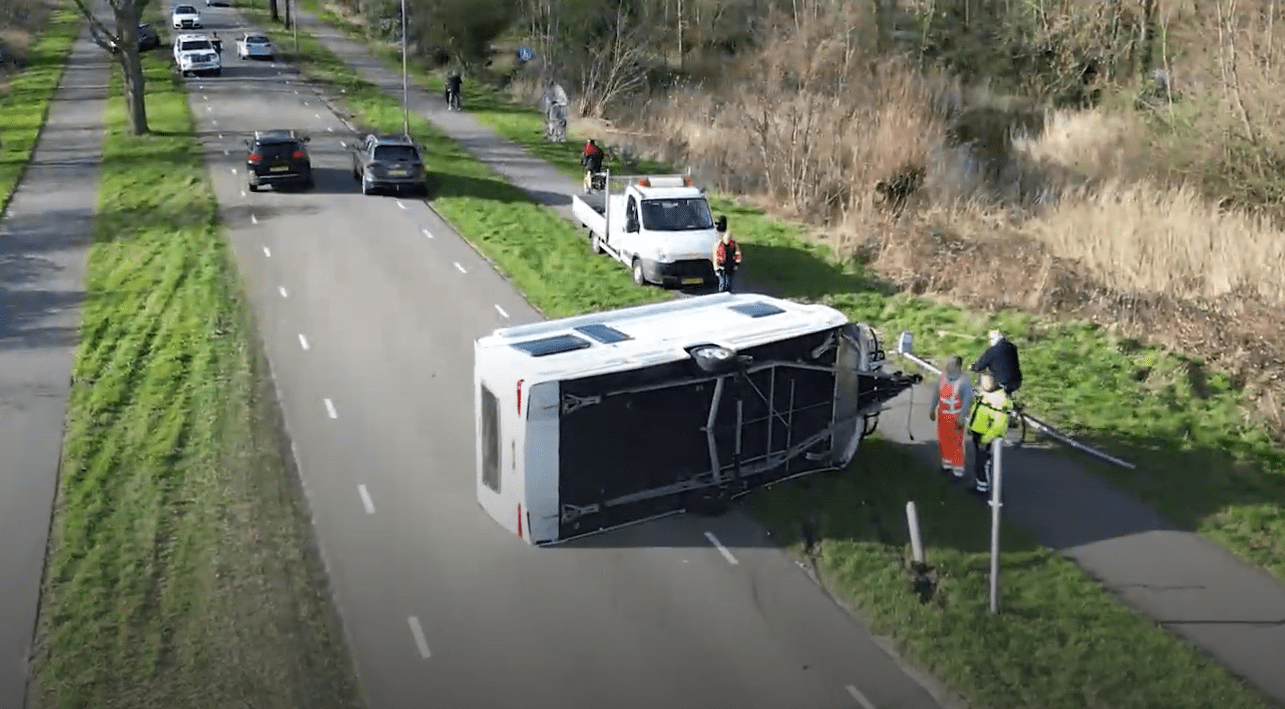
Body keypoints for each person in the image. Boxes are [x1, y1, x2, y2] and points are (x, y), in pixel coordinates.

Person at [966, 373, 1011, 496]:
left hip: (987, 437)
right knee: (979, 462)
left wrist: (985, 440)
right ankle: (980, 484)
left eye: (986, 382)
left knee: (984, 463)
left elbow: (998, 425)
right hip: (979, 433)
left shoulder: (999, 399)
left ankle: (985, 489)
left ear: (994, 382)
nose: (984, 384)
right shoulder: (986, 393)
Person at [929, 356, 972, 480]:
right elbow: (935, 395)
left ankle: (958, 468)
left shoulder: (964, 381)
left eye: (951, 364)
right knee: (943, 439)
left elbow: (967, 400)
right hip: (943, 414)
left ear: (958, 366)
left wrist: (962, 417)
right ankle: (946, 463)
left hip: (955, 415)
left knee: (956, 442)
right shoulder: (942, 378)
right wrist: (932, 408)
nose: (947, 366)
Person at [971, 329, 1022, 395]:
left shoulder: (992, 351)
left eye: (990, 339)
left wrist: (972, 367)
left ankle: (980, 393)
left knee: (984, 373)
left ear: (993, 339)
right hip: (1017, 382)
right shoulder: (1012, 347)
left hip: (1001, 383)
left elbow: (979, 366)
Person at [711, 221, 742, 293]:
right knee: (722, 284)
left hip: (730, 267)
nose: (727, 241)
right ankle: (722, 296)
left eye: (729, 239)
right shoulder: (719, 246)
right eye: (727, 239)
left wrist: (736, 264)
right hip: (721, 267)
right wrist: (716, 268)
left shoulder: (733, 245)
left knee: (728, 283)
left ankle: (727, 295)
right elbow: (715, 256)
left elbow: (737, 254)